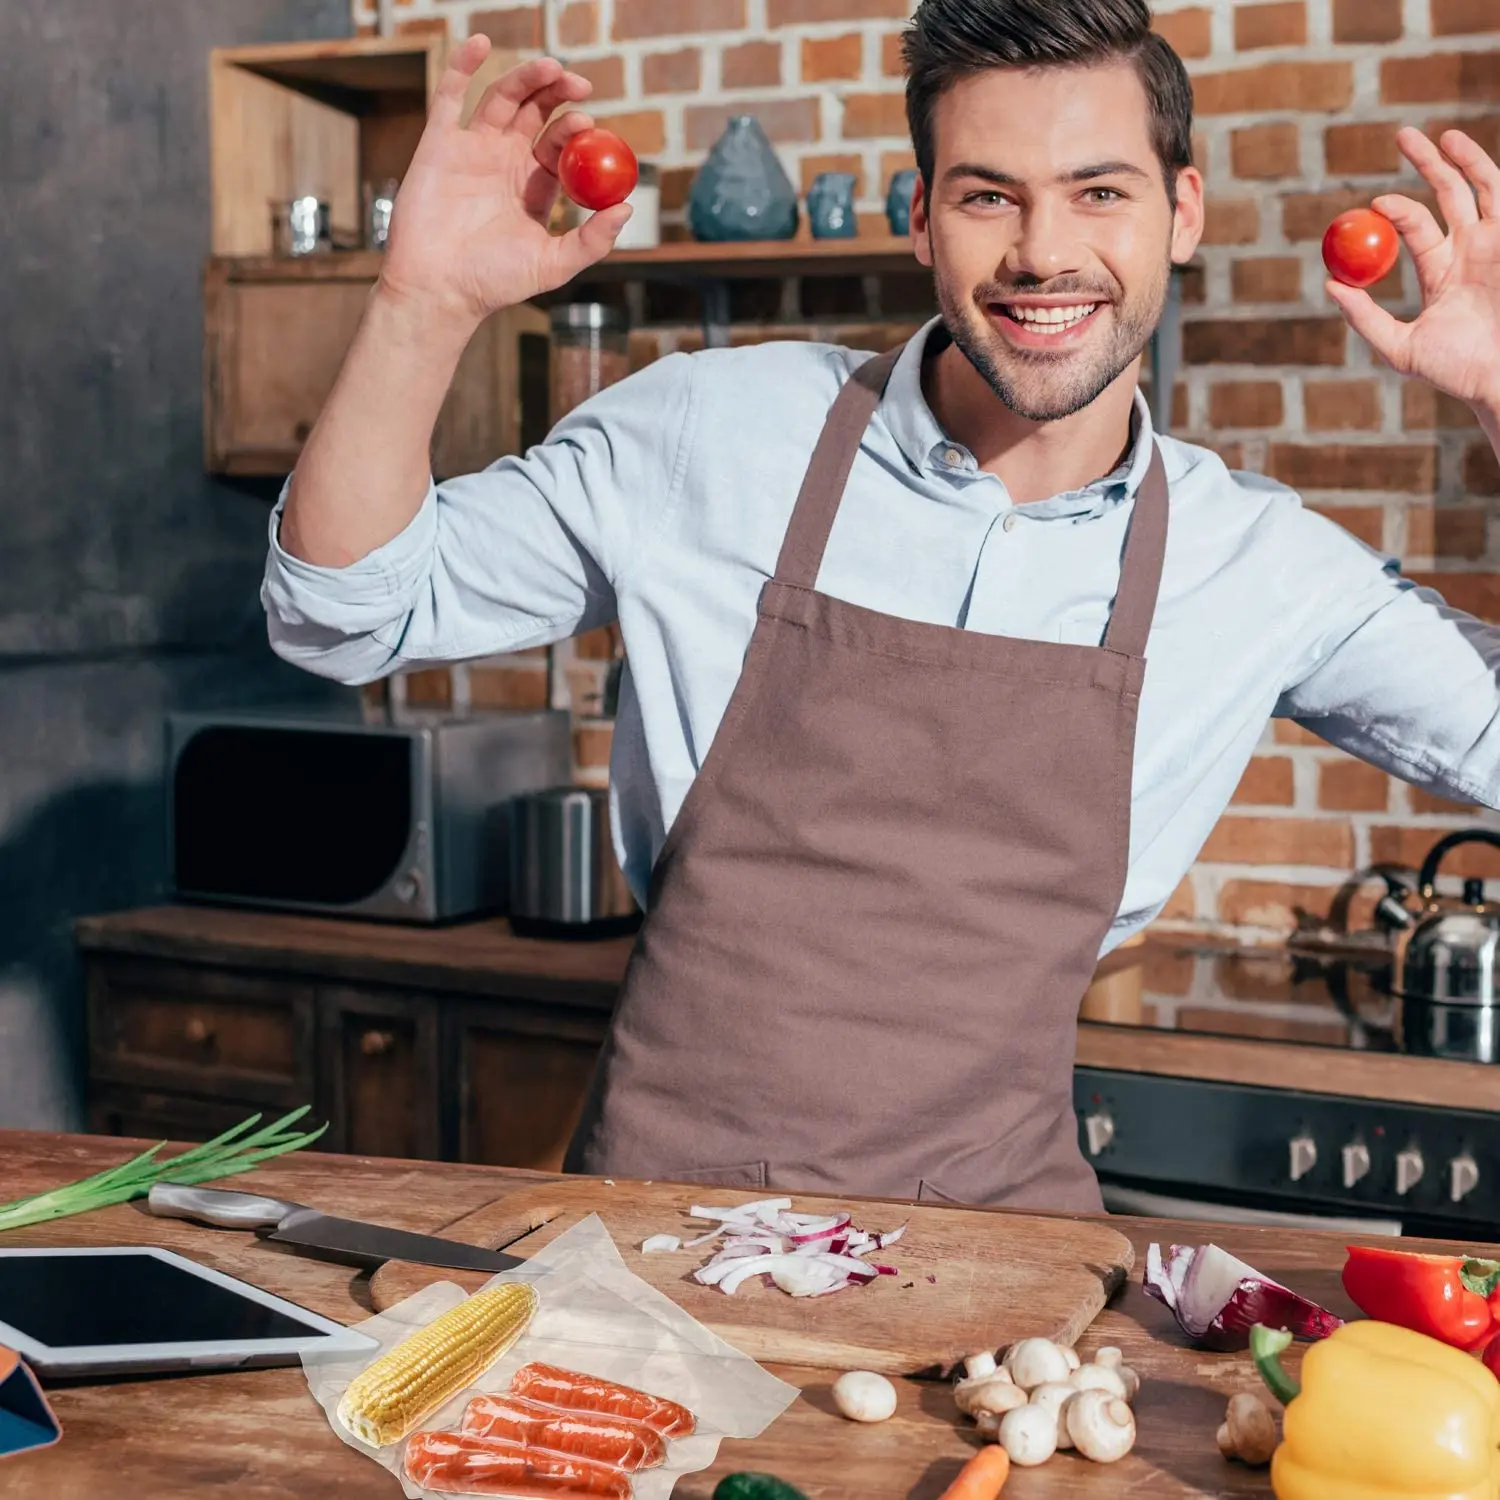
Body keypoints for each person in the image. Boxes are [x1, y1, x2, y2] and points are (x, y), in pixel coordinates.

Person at [263, 0, 1500, 1209]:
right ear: (921, 218)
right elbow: (344, 610)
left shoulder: (1256, 564)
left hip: (1001, 1288)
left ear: (1181, 212)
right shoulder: (713, 432)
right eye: (986, 195)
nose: (1043, 252)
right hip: (654, 1259)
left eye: (1099, 191)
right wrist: (421, 306)